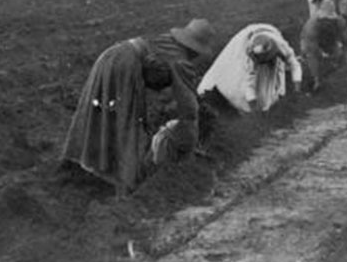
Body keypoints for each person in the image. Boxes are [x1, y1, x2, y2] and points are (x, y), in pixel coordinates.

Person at [60, 18, 216, 197]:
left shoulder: (165, 42)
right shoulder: (181, 61)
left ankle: (89, 165)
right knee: (127, 123)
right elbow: (188, 107)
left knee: (103, 113)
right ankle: (123, 182)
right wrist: (188, 141)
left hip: (110, 56)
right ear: (194, 49)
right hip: (125, 67)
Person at [197, 23, 302, 113]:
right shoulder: (249, 54)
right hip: (245, 39)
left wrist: (297, 89)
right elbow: (249, 82)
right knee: (233, 75)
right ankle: (214, 93)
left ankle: (270, 101)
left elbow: (295, 65)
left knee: (274, 79)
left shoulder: (280, 45)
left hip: (264, 32)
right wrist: (253, 107)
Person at [300, 0, 347, 92]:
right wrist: (320, 54)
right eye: (325, 19)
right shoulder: (311, 27)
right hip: (312, 42)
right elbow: (311, 47)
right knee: (312, 56)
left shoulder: (339, 22)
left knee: (337, 54)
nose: (328, 22)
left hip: (330, 40)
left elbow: (345, 39)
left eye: (330, 19)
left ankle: (336, 68)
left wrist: (342, 57)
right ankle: (316, 80)